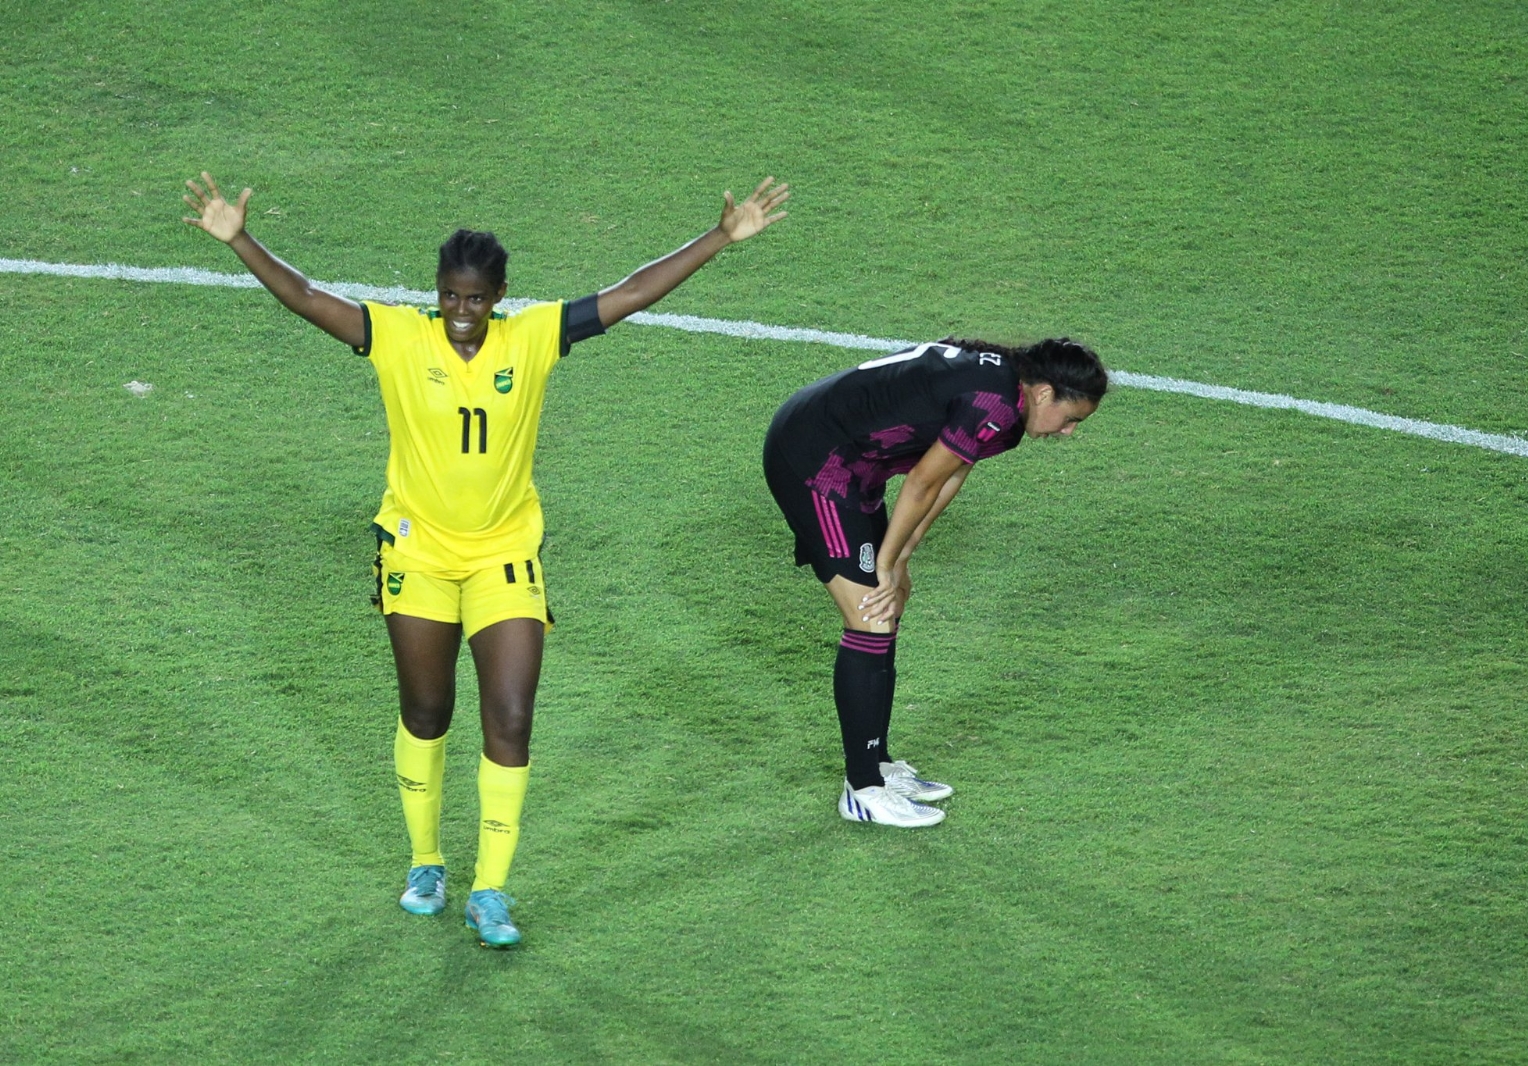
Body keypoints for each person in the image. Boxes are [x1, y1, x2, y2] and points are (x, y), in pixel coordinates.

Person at [183, 171, 789, 945]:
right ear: (436, 292)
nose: (461, 314)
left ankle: (491, 890)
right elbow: (306, 297)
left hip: (505, 554)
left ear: (500, 293)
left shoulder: (532, 338)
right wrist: (238, 239)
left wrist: (719, 239)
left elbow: (631, 292)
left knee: (510, 715)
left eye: (475, 299)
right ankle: (427, 862)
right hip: (419, 554)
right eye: (449, 297)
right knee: (428, 711)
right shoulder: (397, 337)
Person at [763, 337, 1107, 827]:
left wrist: (901, 555)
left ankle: (877, 765)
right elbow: (922, 481)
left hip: (854, 460)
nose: (1069, 432)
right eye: (1072, 418)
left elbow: (951, 472)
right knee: (870, 619)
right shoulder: (992, 401)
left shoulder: (1008, 399)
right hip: (815, 459)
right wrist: (884, 565)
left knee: (887, 609)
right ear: (1046, 393)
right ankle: (861, 789)